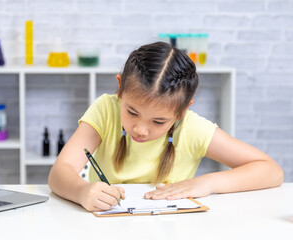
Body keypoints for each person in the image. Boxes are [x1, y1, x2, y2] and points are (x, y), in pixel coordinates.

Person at [48, 42, 284, 212]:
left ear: (182, 110)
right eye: (132, 112)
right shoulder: (105, 109)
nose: (140, 129)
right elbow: (61, 171)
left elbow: (271, 171)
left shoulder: (191, 128)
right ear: (120, 88)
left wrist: (208, 182)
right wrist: (81, 191)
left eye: (159, 121)